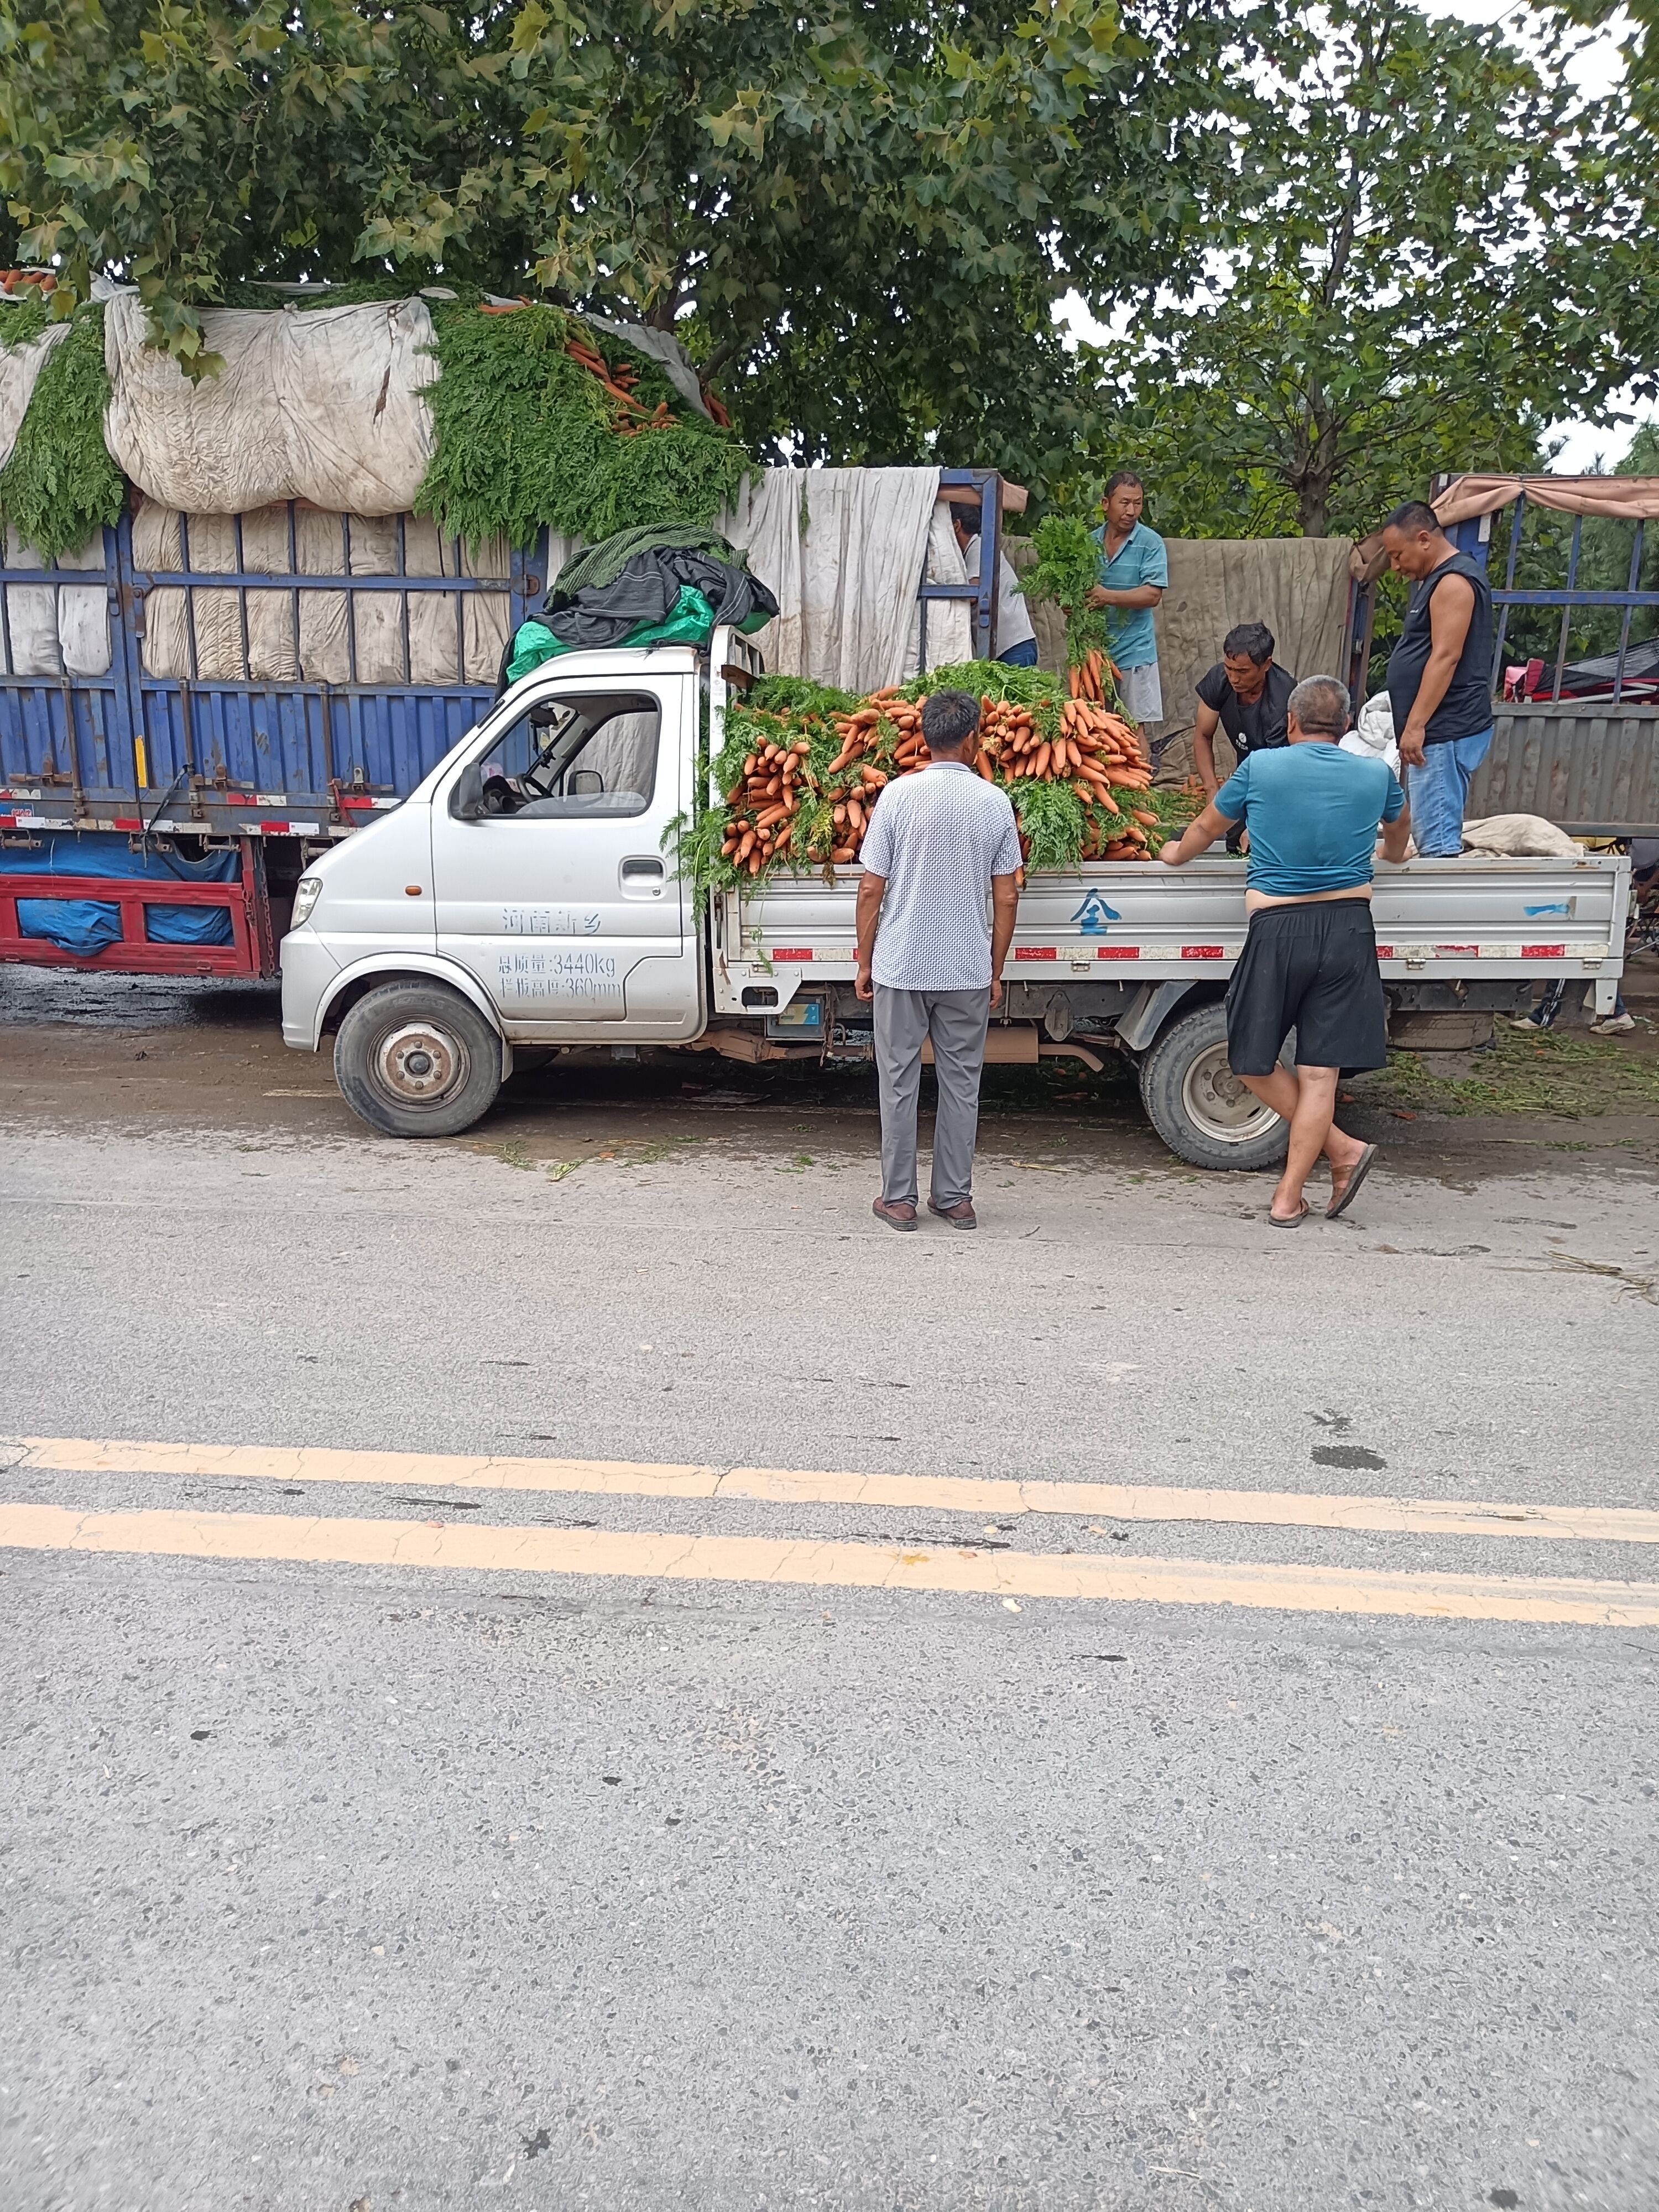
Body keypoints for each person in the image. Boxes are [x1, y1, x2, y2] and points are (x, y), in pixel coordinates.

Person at [1157, 674, 1411, 1227]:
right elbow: (1399, 836)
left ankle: (1329, 1163)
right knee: (1321, 1075)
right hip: (1348, 929)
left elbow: (1207, 825)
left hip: (1277, 929)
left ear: (1290, 722)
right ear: (1345, 725)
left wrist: (1174, 854)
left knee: (1250, 1061)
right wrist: (1392, 855)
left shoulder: (1261, 768)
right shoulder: (1375, 774)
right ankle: (1301, 1186)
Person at [855, 690, 1021, 1231]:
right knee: (962, 1084)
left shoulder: (896, 797)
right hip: (965, 968)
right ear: (972, 739)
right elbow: (1007, 897)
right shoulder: (994, 803)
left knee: (898, 1083)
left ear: (926, 738)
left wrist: (865, 962)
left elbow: (870, 889)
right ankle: (953, 1198)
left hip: (901, 965)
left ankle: (899, 1200)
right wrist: (995, 968)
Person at [1381, 498, 1496, 857]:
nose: (1395, 567)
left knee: (1438, 847)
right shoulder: (1438, 581)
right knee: (1433, 838)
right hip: (1439, 732)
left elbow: (1446, 657)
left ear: (1424, 539)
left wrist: (1416, 725)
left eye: (1398, 555)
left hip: (1445, 731)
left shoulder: (1453, 582)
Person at [1086, 471, 1167, 726]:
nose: (1131, 511)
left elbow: (1152, 594)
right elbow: (1073, 589)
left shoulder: (1151, 543)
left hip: (1135, 652)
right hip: (1095, 654)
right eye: (1124, 503)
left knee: (1133, 728)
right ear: (1105, 504)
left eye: (1137, 503)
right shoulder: (1088, 543)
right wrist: (1072, 604)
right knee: (1094, 727)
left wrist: (1107, 597)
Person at [1192, 622, 1296, 797]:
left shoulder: (1283, 702)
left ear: (1266, 665)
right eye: (1229, 668)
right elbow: (1203, 735)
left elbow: (1275, 770)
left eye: (1243, 672)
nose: (1234, 678)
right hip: (1246, 768)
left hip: (1278, 780)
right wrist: (1212, 789)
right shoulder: (1220, 679)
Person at [951, 509, 1039, 667]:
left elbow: (972, 594)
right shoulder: (973, 552)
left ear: (956, 525)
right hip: (1009, 647)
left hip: (1014, 647)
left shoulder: (979, 548)